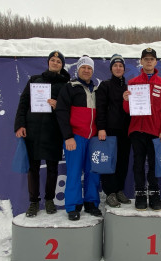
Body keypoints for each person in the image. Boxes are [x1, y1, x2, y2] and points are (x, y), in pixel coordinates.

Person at [14, 50, 70, 217]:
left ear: (62, 65)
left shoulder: (66, 85)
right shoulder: (34, 80)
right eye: (52, 60)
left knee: (53, 169)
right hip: (33, 132)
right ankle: (33, 202)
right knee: (33, 169)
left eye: (58, 61)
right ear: (48, 62)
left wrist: (58, 104)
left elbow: (69, 109)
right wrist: (20, 125)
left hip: (53, 132)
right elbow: (23, 104)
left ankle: (49, 200)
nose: (55, 63)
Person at [123, 48, 161, 211]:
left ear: (156, 62)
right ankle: (140, 194)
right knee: (138, 164)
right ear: (141, 61)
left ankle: (155, 194)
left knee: (153, 165)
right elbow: (127, 110)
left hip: (155, 132)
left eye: (152, 59)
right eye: (146, 59)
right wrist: (125, 99)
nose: (149, 61)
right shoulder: (133, 82)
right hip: (137, 130)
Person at [56, 55, 101, 221]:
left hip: (93, 138)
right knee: (74, 172)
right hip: (76, 137)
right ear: (78, 69)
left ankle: (91, 203)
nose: (87, 70)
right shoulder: (70, 87)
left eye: (89, 68)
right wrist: (68, 136)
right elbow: (61, 112)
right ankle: (73, 206)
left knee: (93, 172)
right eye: (84, 67)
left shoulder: (96, 90)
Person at [96, 54, 131, 208]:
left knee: (123, 161)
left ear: (124, 69)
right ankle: (110, 192)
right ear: (111, 68)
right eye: (115, 65)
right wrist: (101, 128)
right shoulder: (105, 85)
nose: (118, 68)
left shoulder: (129, 87)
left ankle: (119, 190)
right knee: (109, 161)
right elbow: (101, 109)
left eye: (121, 66)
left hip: (125, 130)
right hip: (109, 130)